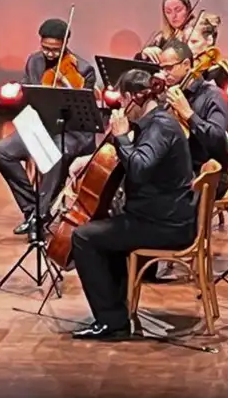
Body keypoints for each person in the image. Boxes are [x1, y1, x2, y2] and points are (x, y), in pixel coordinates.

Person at [70, 68, 196, 341]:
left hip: (165, 225)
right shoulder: (152, 122)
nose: (122, 109)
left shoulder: (160, 127)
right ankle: (117, 311)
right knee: (105, 231)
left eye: (122, 102)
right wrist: (90, 158)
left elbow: (139, 167)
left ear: (130, 98)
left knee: (83, 237)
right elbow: (134, 158)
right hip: (156, 217)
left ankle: (111, 322)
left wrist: (123, 136)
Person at [0, 18, 98, 236]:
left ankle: (38, 220)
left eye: (55, 50)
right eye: (45, 48)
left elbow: (82, 110)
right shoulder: (34, 61)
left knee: (54, 154)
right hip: (40, 126)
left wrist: (66, 85)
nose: (49, 54)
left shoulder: (84, 69)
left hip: (72, 132)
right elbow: (30, 96)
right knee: (2, 152)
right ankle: (34, 211)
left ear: (65, 44)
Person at [153, 40, 228, 199]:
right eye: (162, 69)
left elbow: (217, 138)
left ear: (187, 64)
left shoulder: (214, 95)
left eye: (169, 68)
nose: (164, 74)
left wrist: (188, 114)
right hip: (177, 169)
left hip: (207, 174)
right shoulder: (171, 94)